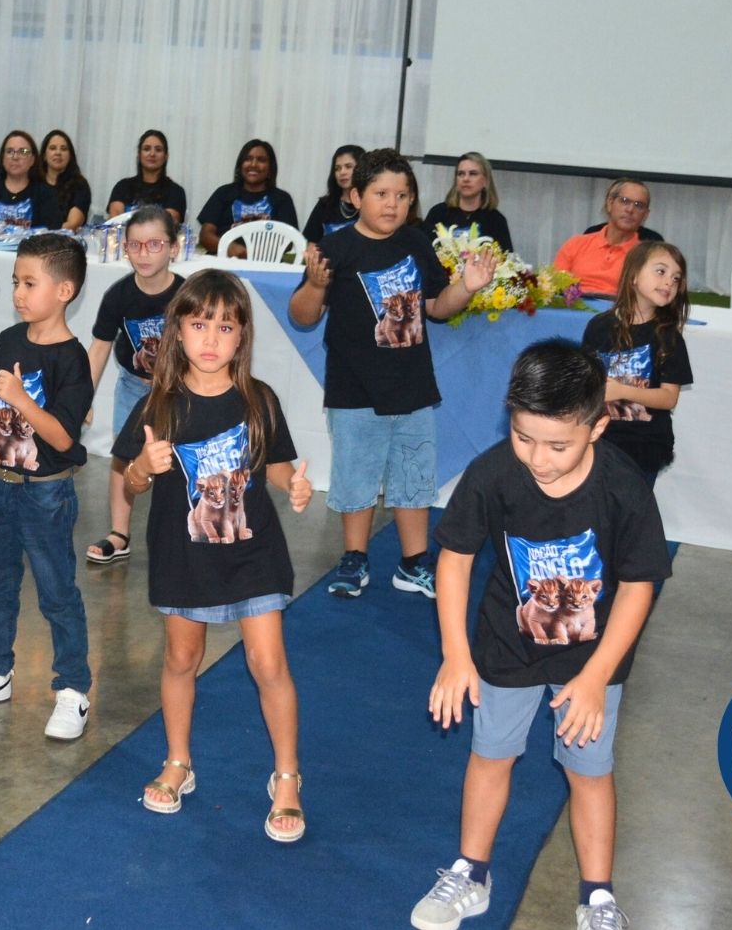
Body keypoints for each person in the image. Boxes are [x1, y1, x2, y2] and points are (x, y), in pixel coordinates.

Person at [411, 340, 670, 930]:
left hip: (592, 657)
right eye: (524, 437)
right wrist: (456, 655)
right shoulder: (493, 473)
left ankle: (598, 898)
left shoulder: (623, 487)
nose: (539, 458)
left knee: (589, 771)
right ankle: (471, 873)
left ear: (597, 427)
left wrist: (597, 677)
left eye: (558, 445)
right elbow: (454, 560)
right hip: (507, 645)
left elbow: (638, 588)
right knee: (490, 757)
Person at [113, 271, 315, 842]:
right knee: (182, 658)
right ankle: (178, 760)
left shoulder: (259, 400)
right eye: (200, 324)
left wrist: (294, 486)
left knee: (269, 664)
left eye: (225, 328)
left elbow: (276, 466)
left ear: (241, 336)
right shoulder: (158, 405)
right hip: (184, 556)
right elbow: (130, 484)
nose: (210, 338)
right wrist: (141, 468)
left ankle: (287, 776)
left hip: (255, 552)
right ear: (177, 330)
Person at [289, 150, 496, 600]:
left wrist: (466, 288)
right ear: (356, 196)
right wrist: (317, 285)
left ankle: (413, 562)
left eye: (403, 196)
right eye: (381, 194)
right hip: (353, 388)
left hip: (411, 386)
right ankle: (354, 557)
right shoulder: (335, 249)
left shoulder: (416, 244)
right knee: (356, 475)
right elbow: (302, 316)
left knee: (413, 475)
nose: (392, 204)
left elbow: (438, 307)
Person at [0, 233, 96, 740]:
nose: (17, 293)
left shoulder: (71, 359)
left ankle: (73, 688)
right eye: (15, 282)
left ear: (64, 291)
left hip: (45, 493)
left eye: (30, 284)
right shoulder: (10, 339)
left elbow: (63, 436)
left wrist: (21, 400)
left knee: (56, 592)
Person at [85, 206, 183, 564]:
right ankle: (119, 533)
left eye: (155, 244)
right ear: (124, 248)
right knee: (123, 457)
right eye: (135, 245)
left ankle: (181, 534)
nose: (144, 253)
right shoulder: (118, 295)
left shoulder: (187, 294)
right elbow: (99, 349)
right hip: (133, 386)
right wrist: (82, 399)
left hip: (179, 389)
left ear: (174, 247)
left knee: (179, 462)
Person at [581, 242, 693, 483]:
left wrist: (622, 391)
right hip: (600, 440)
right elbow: (586, 383)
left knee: (631, 504)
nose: (669, 282)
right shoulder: (599, 326)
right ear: (633, 275)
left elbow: (668, 398)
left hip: (644, 445)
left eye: (676, 278)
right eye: (661, 271)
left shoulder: (669, 337)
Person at [554, 179, 660, 297]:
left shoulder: (648, 257)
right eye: (624, 201)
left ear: (645, 215)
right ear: (610, 204)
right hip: (574, 306)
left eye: (639, 205)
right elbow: (556, 289)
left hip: (619, 308)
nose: (630, 210)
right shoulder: (575, 244)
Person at [197, 139, 298, 257]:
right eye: (247, 159)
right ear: (240, 165)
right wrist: (228, 247)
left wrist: (255, 253)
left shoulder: (282, 199)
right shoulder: (223, 193)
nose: (253, 164)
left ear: (270, 168)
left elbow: (289, 241)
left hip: (264, 263)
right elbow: (205, 236)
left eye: (261, 160)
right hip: (222, 262)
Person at [422, 151, 513, 252]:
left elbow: (506, 257)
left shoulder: (496, 220)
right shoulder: (438, 213)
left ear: (486, 181)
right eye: (461, 174)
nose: (466, 179)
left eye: (473, 174)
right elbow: (421, 251)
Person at [0, 130, 62, 230]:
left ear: (32, 160)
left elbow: (52, 232)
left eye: (23, 152)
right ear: (2, 158)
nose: (15, 157)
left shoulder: (45, 193)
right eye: (9, 151)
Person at [105, 129, 187, 222]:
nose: (152, 154)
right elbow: (115, 221)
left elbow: (168, 224)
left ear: (166, 156)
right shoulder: (122, 186)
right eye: (146, 149)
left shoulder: (176, 191)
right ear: (139, 155)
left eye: (158, 150)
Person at [302, 145, 364, 243]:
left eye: (348, 166)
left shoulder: (370, 204)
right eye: (337, 168)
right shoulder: (325, 205)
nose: (342, 172)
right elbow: (309, 241)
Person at [40, 129, 93, 230]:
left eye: (64, 149)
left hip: (64, 238)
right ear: (44, 156)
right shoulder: (34, 183)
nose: (58, 153)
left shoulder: (79, 185)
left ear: (70, 156)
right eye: (52, 148)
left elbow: (72, 225)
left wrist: (43, 231)